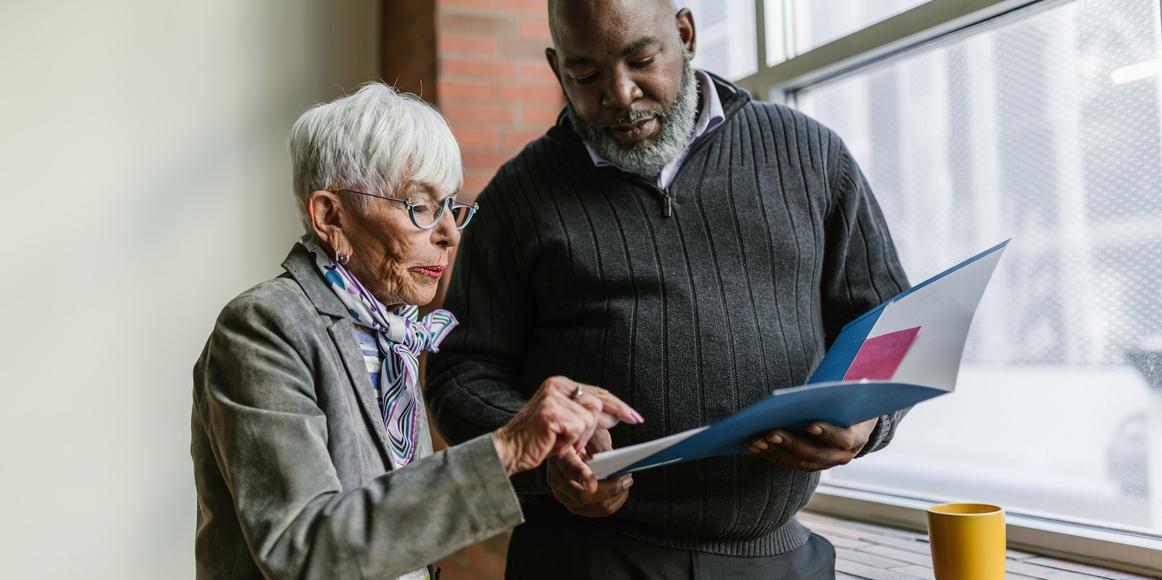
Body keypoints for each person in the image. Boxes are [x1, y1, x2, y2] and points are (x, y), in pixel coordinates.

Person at [425, 1, 911, 578]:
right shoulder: (516, 198)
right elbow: (459, 373)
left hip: (775, 558)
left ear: (684, 34)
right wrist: (548, 457)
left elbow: (891, 327)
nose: (620, 93)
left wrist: (868, 421)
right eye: (586, 75)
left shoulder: (811, 156)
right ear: (557, 70)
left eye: (640, 59)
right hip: (584, 557)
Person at [190, 83, 642, 580]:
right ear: (330, 216)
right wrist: (507, 448)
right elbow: (305, 553)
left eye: (450, 206)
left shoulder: (390, 328)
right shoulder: (264, 328)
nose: (450, 232)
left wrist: (547, 461)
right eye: (420, 205)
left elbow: (394, 518)